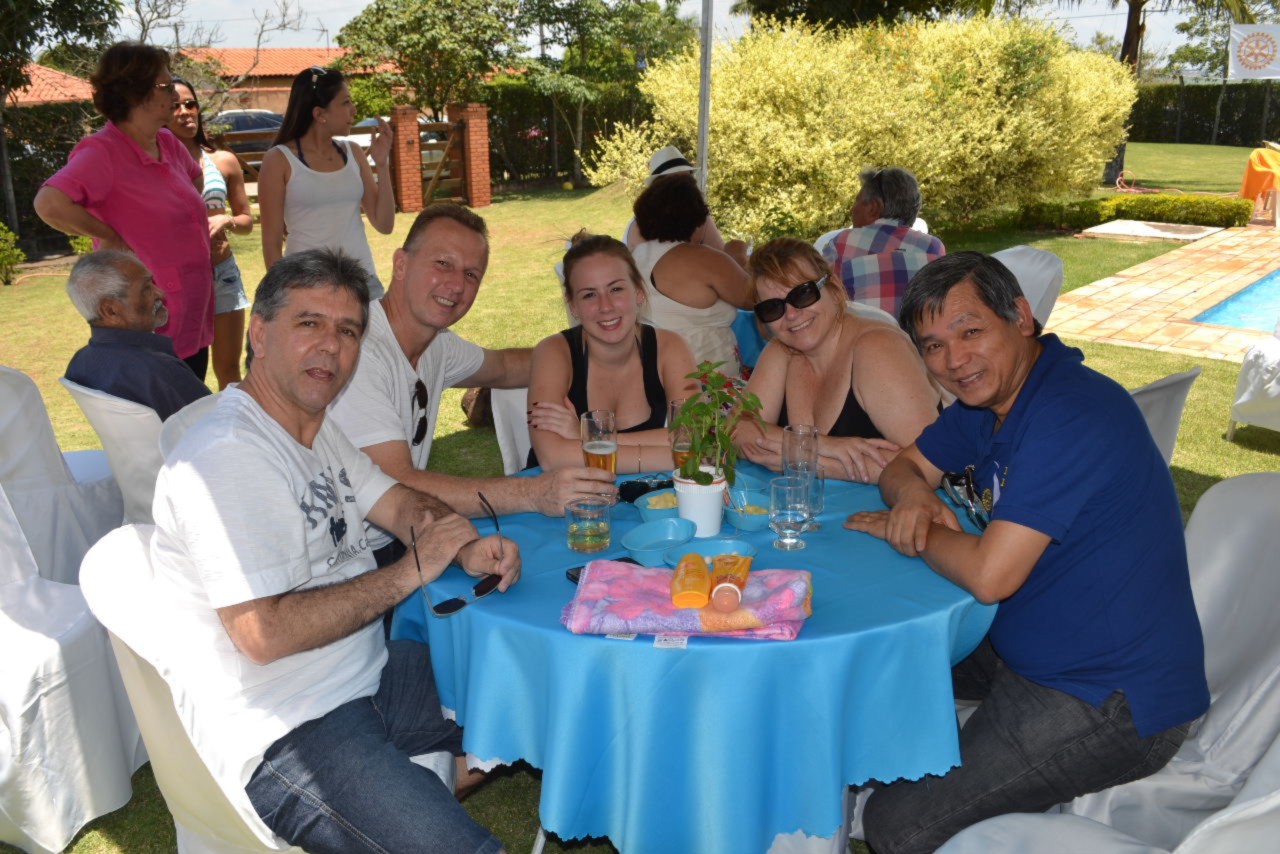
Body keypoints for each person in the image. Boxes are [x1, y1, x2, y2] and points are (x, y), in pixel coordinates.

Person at [151, 249, 517, 854]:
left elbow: (397, 503)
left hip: (370, 674)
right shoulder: (229, 456)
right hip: (292, 728)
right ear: (259, 333)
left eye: (347, 331)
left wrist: (462, 546)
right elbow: (263, 633)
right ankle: (414, 786)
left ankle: (419, 778)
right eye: (309, 323)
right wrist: (410, 571)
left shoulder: (314, 428)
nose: (330, 346)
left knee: (525, 689)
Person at [844, 251, 1209, 854]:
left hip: (1109, 696)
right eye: (934, 346)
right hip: (1028, 638)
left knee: (896, 825)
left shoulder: (1068, 414)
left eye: (970, 332)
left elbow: (990, 576)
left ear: (1020, 316)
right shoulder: (990, 403)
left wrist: (914, 531)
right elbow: (904, 466)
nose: (955, 361)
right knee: (870, 657)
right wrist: (913, 497)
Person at [328, 204, 616, 561]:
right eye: (442, 264)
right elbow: (398, 482)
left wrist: (594, 346)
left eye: (471, 274)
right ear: (401, 264)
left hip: (397, 538)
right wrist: (532, 492)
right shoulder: (360, 351)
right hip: (346, 557)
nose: (456, 285)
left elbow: (506, 367)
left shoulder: (436, 344)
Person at [35, 41, 213, 379]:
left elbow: (194, 179)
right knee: (160, 405)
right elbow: (49, 203)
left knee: (192, 399)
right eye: (165, 86)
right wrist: (109, 236)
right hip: (147, 313)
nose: (174, 94)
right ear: (136, 93)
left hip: (193, 304)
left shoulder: (167, 142)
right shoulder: (103, 152)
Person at [737, 238, 939, 484]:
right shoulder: (782, 350)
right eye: (772, 308)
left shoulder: (877, 347)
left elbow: (931, 464)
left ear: (832, 289)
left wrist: (808, 461)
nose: (790, 314)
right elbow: (738, 431)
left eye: (803, 294)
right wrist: (820, 445)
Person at [527, 232, 699, 472]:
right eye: (589, 295)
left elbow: (694, 437)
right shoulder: (553, 352)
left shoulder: (670, 347)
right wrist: (670, 453)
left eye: (616, 289)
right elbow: (552, 457)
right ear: (573, 305)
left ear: (638, 291)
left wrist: (587, 438)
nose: (605, 306)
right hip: (564, 492)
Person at [257, 65, 394, 299]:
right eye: (346, 102)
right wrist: (286, 297)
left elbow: (384, 224)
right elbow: (271, 243)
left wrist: (382, 165)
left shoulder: (354, 152)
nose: (354, 110)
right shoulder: (279, 159)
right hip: (307, 288)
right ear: (320, 114)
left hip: (363, 283)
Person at [168, 78, 254, 389]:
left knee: (229, 372)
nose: (184, 111)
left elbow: (247, 221)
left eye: (190, 104)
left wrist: (227, 220)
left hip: (223, 274)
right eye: (174, 106)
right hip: (180, 280)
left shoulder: (223, 160)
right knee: (186, 376)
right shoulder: (155, 164)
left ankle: (234, 423)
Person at [64, 250, 211, 421]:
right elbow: (217, 426)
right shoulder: (157, 370)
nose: (160, 293)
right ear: (110, 310)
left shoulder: (79, 364)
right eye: (146, 289)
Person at [631, 172, 753, 375]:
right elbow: (753, 298)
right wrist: (738, 257)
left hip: (653, 371)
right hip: (707, 377)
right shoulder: (705, 259)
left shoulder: (634, 257)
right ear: (697, 217)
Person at [821, 166, 945, 321]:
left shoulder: (842, 243)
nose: (852, 210)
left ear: (874, 207)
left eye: (857, 201)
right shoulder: (933, 247)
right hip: (918, 335)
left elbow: (825, 302)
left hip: (866, 333)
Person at [622, 146, 731, 253]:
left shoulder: (700, 219)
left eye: (687, 181)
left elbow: (721, 253)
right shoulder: (640, 225)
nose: (684, 189)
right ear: (658, 189)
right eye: (676, 184)